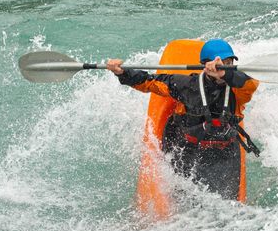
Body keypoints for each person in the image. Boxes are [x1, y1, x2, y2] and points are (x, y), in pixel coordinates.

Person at [107, 39, 260, 200]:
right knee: (181, 200)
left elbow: (251, 84)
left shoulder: (238, 91)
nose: (221, 66)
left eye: (227, 62)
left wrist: (225, 73)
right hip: (186, 150)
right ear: (205, 65)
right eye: (217, 63)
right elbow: (149, 82)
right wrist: (122, 73)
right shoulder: (187, 85)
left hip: (222, 154)